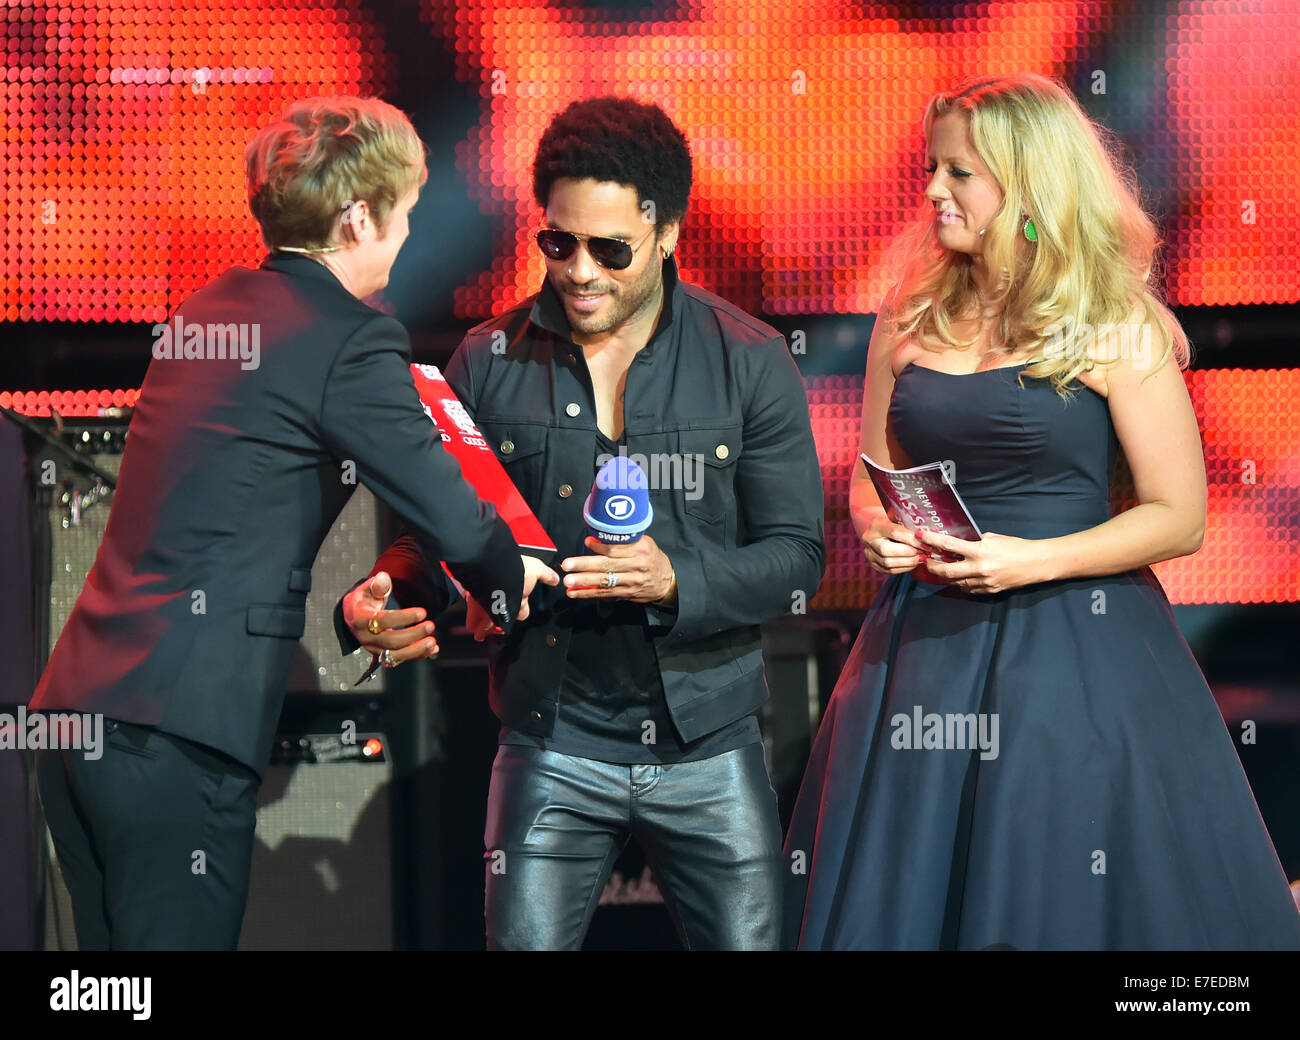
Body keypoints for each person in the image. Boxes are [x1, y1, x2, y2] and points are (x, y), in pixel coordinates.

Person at [782, 73, 1300, 950]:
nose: (934, 191)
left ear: (1027, 187)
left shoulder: (1114, 325)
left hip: (1076, 648)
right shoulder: (909, 313)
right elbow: (874, 477)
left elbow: (1180, 517)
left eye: (961, 173)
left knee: (1053, 877)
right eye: (933, 168)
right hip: (922, 650)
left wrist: (1029, 560)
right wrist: (879, 531)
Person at [30, 95, 556, 951]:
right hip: (180, 728)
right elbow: (448, 510)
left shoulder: (208, 307)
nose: (411, 234)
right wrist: (515, 577)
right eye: (407, 215)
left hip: (83, 712)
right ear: (358, 218)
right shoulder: (350, 339)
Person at [338, 96, 825, 950]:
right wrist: (396, 585)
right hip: (550, 736)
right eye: (559, 244)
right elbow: (448, 532)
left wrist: (677, 581)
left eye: (611, 249)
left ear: (667, 232)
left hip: (707, 742)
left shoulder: (747, 357)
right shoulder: (487, 361)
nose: (581, 272)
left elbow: (797, 559)